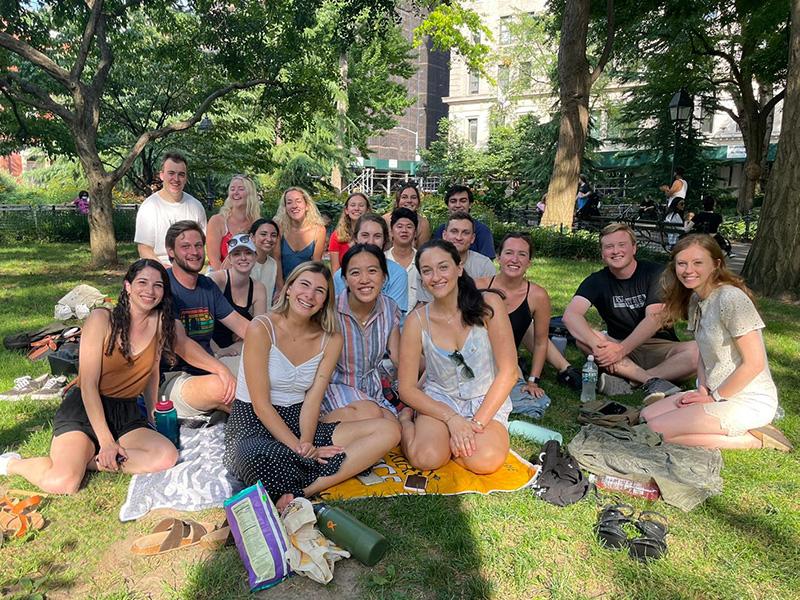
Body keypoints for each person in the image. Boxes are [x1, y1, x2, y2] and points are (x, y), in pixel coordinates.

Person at [223, 262, 401, 510]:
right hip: (254, 422)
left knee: (388, 432)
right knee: (258, 458)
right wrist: (301, 450)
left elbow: (313, 399)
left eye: (320, 290)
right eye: (304, 285)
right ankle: (314, 471)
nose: (309, 295)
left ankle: (304, 490)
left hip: (300, 420)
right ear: (288, 288)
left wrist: (307, 443)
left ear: (326, 300)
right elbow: (261, 406)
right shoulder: (261, 328)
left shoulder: (330, 338)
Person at [0, 260, 179, 494]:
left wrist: (153, 412)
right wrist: (106, 441)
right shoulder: (102, 319)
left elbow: (152, 373)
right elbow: (88, 384)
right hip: (85, 407)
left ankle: (90, 461)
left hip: (125, 412)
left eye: (158, 285)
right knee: (63, 482)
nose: (150, 291)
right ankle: (12, 463)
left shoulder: (161, 324)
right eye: (142, 282)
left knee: (166, 457)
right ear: (127, 286)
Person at [639, 234, 791, 451]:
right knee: (646, 416)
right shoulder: (695, 300)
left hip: (746, 400)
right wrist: (702, 390)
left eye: (697, 262)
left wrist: (714, 398)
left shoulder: (731, 299)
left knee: (656, 431)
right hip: (713, 393)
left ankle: (753, 439)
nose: (688, 270)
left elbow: (755, 364)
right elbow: (703, 351)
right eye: (682, 263)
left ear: (716, 264)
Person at [397, 239, 518, 474]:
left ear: (459, 268)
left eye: (443, 267)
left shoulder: (489, 304)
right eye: (427, 271)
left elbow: (509, 372)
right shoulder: (417, 320)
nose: (436, 276)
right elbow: (407, 389)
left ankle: (452, 445)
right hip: (441, 400)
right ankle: (406, 421)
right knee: (426, 458)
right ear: (421, 278)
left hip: (484, 398)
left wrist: (475, 424)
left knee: (485, 461)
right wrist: (452, 419)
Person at [563, 223, 698, 396]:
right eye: (609, 247)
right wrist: (605, 348)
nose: (615, 251)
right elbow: (571, 315)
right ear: (602, 254)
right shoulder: (596, 281)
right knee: (584, 339)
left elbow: (655, 318)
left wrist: (621, 350)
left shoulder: (656, 272)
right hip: (618, 345)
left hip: (659, 346)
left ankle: (633, 381)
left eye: (622, 245)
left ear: (634, 248)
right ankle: (650, 381)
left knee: (698, 351)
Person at [474, 233, 580, 418]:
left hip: (504, 365)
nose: (514, 259)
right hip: (473, 360)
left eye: (522, 254)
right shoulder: (477, 286)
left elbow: (540, 342)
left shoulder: (537, 296)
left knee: (526, 402)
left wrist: (533, 380)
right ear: (499, 257)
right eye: (509, 253)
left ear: (529, 261)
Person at [160, 220, 248, 417]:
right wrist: (221, 370)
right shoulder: (163, 285)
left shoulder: (207, 285)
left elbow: (243, 327)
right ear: (171, 251)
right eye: (185, 246)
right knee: (223, 388)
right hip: (172, 378)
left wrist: (282, 343)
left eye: (198, 245)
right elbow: (180, 343)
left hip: (208, 368)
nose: (194, 252)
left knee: (263, 372)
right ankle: (269, 433)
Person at [322, 244, 401, 421]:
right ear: (345, 279)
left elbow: (397, 357)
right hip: (337, 388)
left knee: (394, 427)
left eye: (372, 271)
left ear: (384, 277)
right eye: (355, 273)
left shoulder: (389, 308)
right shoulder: (329, 311)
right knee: (374, 420)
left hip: (373, 391)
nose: (364, 279)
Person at [135, 152, 207, 266]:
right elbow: (144, 249)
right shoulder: (149, 207)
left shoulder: (196, 206)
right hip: (157, 269)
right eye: (171, 173)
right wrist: (167, 272)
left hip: (188, 268)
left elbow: (200, 246)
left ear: (186, 178)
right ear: (162, 175)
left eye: (181, 174)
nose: (176, 179)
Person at [332, 214, 408, 314]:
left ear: (384, 240)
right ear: (355, 238)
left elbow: (394, 316)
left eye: (377, 236)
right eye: (365, 235)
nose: (370, 242)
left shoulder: (398, 274)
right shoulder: (340, 275)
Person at [416, 212, 496, 305]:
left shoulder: (484, 266)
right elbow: (426, 305)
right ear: (444, 235)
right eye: (454, 231)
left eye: (465, 233)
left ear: (472, 238)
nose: (459, 237)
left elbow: (490, 304)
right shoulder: (428, 265)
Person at [209, 233, 268, 354]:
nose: (243, 258)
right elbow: (199, 326)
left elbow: (259, 328)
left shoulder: (258, 288)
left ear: (255, 257)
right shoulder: (217, 280)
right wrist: (218, 351)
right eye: (237, 254)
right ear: (229, 259)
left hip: (237, 345)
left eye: (248, 253)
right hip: (209, 345)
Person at [206, 175, 261, 271]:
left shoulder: (258, 224)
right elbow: (214, 260)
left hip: (251, 276)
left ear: (250, 194)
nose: (235, 193)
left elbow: (261, 258)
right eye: (232, 189)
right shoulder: (217, 221)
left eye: (241, 189)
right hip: (220, 275)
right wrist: (227, 282)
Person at [274, 187, 327, 280]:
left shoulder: (319, 230)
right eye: (289, 202)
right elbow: (276, 260)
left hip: (306, 283)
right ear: (285, 208)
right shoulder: (279, 228)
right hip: (281, 283)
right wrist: (280, 288)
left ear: (307, 206)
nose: (294, 206)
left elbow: (316, 263)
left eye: (298, 201)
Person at [432, 185, 495, 259]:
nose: (458, 205)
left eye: (463, 201)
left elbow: (487, 261)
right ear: (448, 205)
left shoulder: (482, 231)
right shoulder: (440, 230)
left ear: (470, 204)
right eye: (453, 201)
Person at [385, 207, 419, 309]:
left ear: (415, 233)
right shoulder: (382, 260)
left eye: (409, 227)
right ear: (391, 232)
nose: (404, 230)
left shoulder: (423, 261)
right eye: (399, 226)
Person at [329, 192, 370, 274]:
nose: (357, 208)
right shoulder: (337, 236)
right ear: (346, 210)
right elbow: (335, 271)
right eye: (353, 205)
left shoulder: (374, 235)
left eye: (361, 205)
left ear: (367, 210)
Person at [382, 183, 431, 247]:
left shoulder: (423, 223)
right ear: (397, 201)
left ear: (418, 202)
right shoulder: (385, 220)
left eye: (413, 197)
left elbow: (423, 251)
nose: (409, 200)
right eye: (404, 197)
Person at [250, 218, 281, 305]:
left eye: (273, 235)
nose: (269, 239)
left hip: (263, 316)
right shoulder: (243, 262)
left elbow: (267, 298)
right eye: (263, 234)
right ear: (252, 237)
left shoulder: (273, 264)